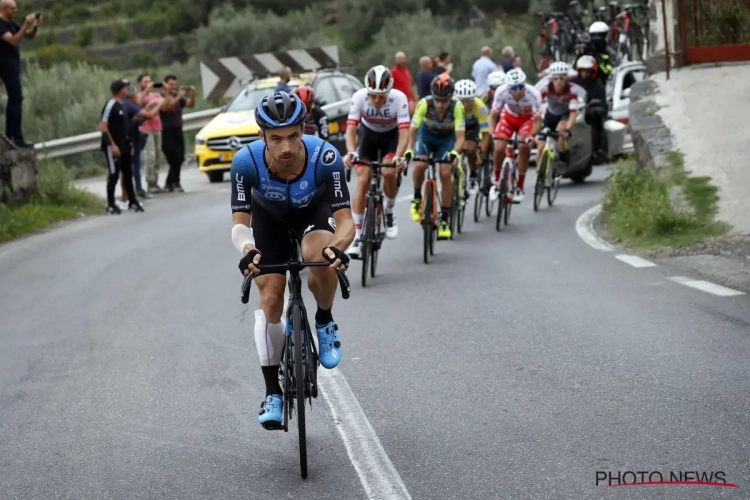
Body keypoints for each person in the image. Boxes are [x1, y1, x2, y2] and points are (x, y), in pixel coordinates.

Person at [230, 91, 354, 429]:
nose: (286, 147)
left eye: (293, 136)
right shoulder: (245, 162)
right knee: (270, 299)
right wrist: (247, 250)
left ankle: (325, 321)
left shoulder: (325, 157)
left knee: (321, 259)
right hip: (267, 220)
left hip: (312, 213)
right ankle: (273, 392)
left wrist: (339, 246)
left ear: (304, 129)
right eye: (276, 139)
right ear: (262, 137)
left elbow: (345, 220)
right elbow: (240, 226)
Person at [343, 65, 410, 257]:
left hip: (391, 136)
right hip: (368, 136)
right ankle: (357, 235)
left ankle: (389, 211)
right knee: (363, 179)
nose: (378, 100)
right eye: (374, 95)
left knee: (389, 171)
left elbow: (404, 132)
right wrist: (350, 152)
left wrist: (399, 155)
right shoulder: (359, 97)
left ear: (389, 91)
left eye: (382, 96)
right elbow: (351, 130)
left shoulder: (399, 98)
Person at [405, 74, 465, 240]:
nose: (439, 104)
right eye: (437, 99)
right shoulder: (425, 103)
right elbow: (413, 129)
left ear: (451, 97)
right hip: (427, 137)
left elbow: (460, 137)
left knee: (446, 173)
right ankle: (417, 198)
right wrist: (410, 149)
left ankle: (444, 219)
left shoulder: (457, 106)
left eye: (444, 100)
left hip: (447, 140)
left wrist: (455, 152)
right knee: (420, 165)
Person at [488, 68, 543, 204]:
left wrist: (531, 136)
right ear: (508, 87)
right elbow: (494, 115)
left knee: (523, 146)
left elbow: (538, 122)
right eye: (514, 88)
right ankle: (496, 181)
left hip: (527, 119)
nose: (519, 91)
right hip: (509, 117)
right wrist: (492, 132)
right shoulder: (501, 92)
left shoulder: (534, 94)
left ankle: (519, 187)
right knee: (499, 147)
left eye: (521, 86)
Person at [0, 0, 41, 148]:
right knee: (16, 97)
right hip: (5, 65)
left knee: (16, 98)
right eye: (13, 8)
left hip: (12, 64)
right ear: (4, 9)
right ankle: (14, 135)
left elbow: (28, 35)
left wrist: (34, 25)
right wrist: (25, 24)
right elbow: (13, 40)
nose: (16, 11)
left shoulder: (11, 23)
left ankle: (13, 134)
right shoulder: (1, 24)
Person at [99, 79, 143, 214]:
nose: (127, 90)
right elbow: (103, 127)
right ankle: (111, 204)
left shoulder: (122, 105)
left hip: (124, 145)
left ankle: (132, 201)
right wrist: (112, 145)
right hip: (113, 147)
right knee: (114, 174)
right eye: (125, 88)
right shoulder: (110, 105)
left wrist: (129, 144)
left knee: (128, 173)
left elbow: (124, 128)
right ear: (119, 90)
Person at [535, 62, 580, 165]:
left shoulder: (571, 90)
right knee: (541, 147)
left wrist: (568, 129)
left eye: (562, 78)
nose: (559, 81)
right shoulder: (546, 88)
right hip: (550, 115)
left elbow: (573, 114)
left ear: (566, 78)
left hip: (564, 115)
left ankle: (564, 158)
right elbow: (536, 105)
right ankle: (539, 175)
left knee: (561, 132)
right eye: (555, 78)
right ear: (552, 79)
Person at [122, 87, 162, 201]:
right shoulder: (129, 105)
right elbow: (150, 115)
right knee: (132, 166)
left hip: (133, 137)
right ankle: (132, 192)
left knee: (135, 165)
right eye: (136, 95)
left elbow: (137, 119)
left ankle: (136, 190)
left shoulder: (128, 105)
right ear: (132, 96)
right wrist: (159, 104)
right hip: (130, 140)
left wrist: (148, 108)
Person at [159, 75, 195, 192]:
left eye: (175, 84)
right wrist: (179, 96)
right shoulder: (160, 97)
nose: (174, 87)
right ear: (165, 85)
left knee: (180, 157)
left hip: (178, 129)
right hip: (166, 130)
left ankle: (171, 183)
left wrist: (192, 94)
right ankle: (174, 182)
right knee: (173, 158)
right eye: (171, 84)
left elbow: (190, 104)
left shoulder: (178, 97)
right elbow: (168, 107)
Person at [569, 55, 608, 163]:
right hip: (573, 111)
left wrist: (597, 107)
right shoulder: (572, 82)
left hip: (589, 113)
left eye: (587, 71)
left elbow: (602, 102)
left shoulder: (598, 85)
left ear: (592, 71)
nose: (585, 73)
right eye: (582, 70)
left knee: (597, 123)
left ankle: (599, 150)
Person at [454, 79, 490, 194]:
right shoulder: (451, 104)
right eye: (462, 101)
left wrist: (482, 154)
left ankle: (473, 175)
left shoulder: (480, 107)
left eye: (469, 101)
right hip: (455, 126)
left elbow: (485, 135)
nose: (465, 105)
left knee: (470, 149)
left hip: (472, 128)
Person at [136, 73, 165, 195]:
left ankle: (155, 181)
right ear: (140, 84)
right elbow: (137, 104)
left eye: (149, 81)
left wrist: (166, 92)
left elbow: (164, 106)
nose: (148, 84)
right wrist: (146, 90)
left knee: (157, 155)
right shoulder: (138, 95)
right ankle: (150, 182)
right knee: (150, 156)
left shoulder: (156, 95)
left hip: (157, 127)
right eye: (145, 82)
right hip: (145, 128)